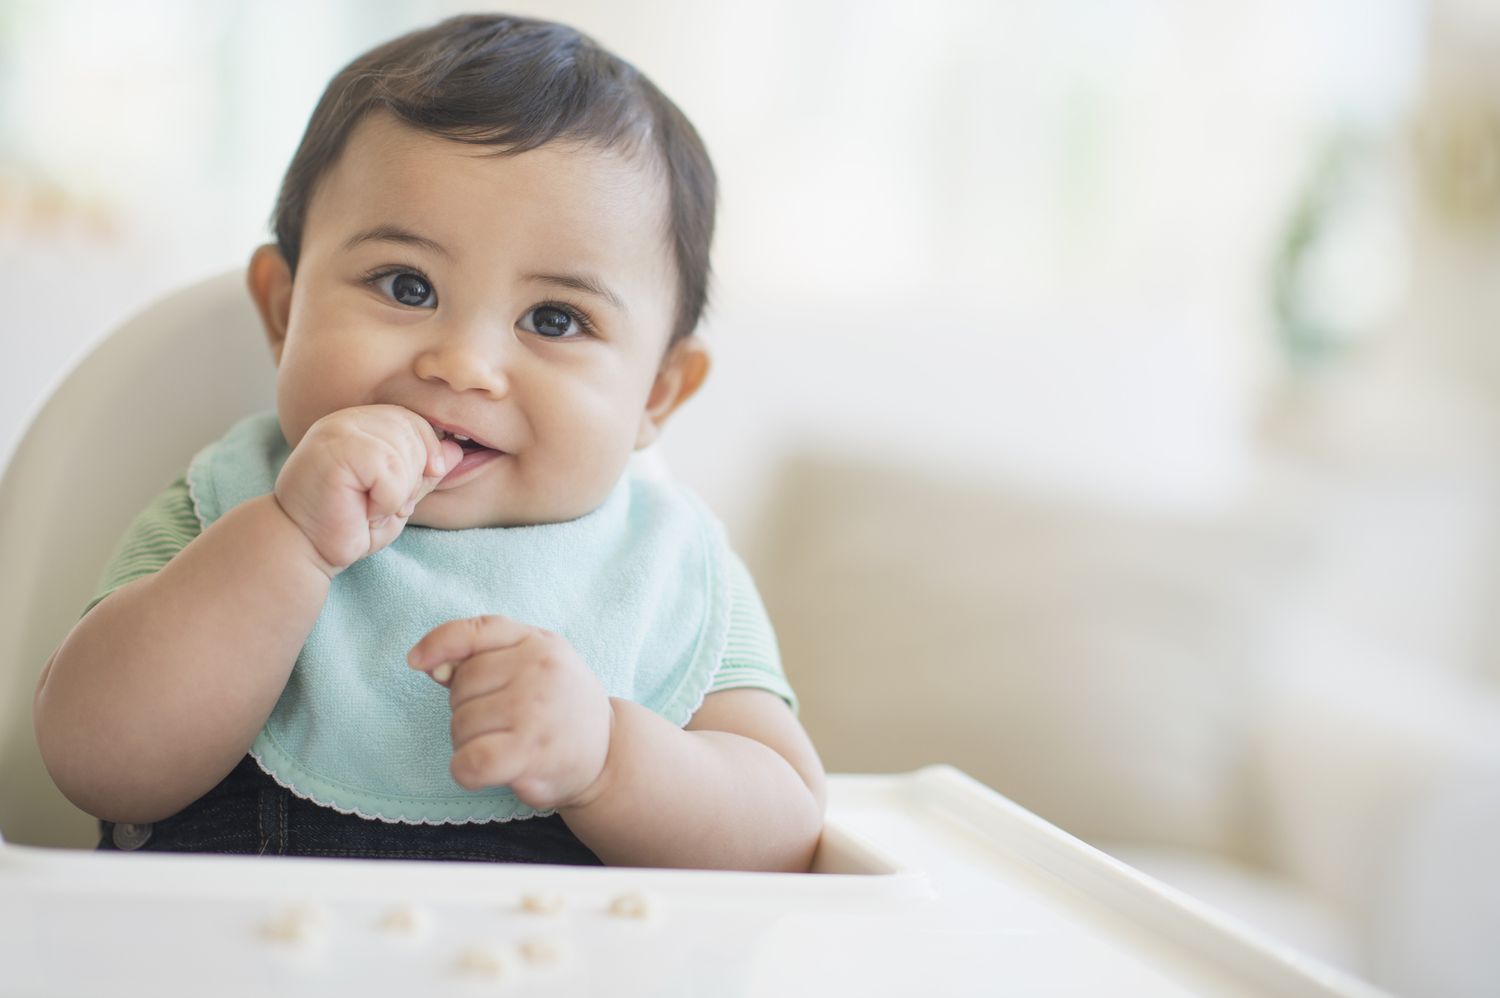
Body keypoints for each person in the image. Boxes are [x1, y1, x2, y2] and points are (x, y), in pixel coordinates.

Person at [32, 13, 825, 871]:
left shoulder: (667, 567)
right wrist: (288, 543)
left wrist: (607, 758)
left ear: (656, 394)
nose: (464, 364)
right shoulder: (226, 507)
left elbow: (784, 832)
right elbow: (96, 764)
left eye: (555, 319)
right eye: (406, 286)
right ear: (283, 308)